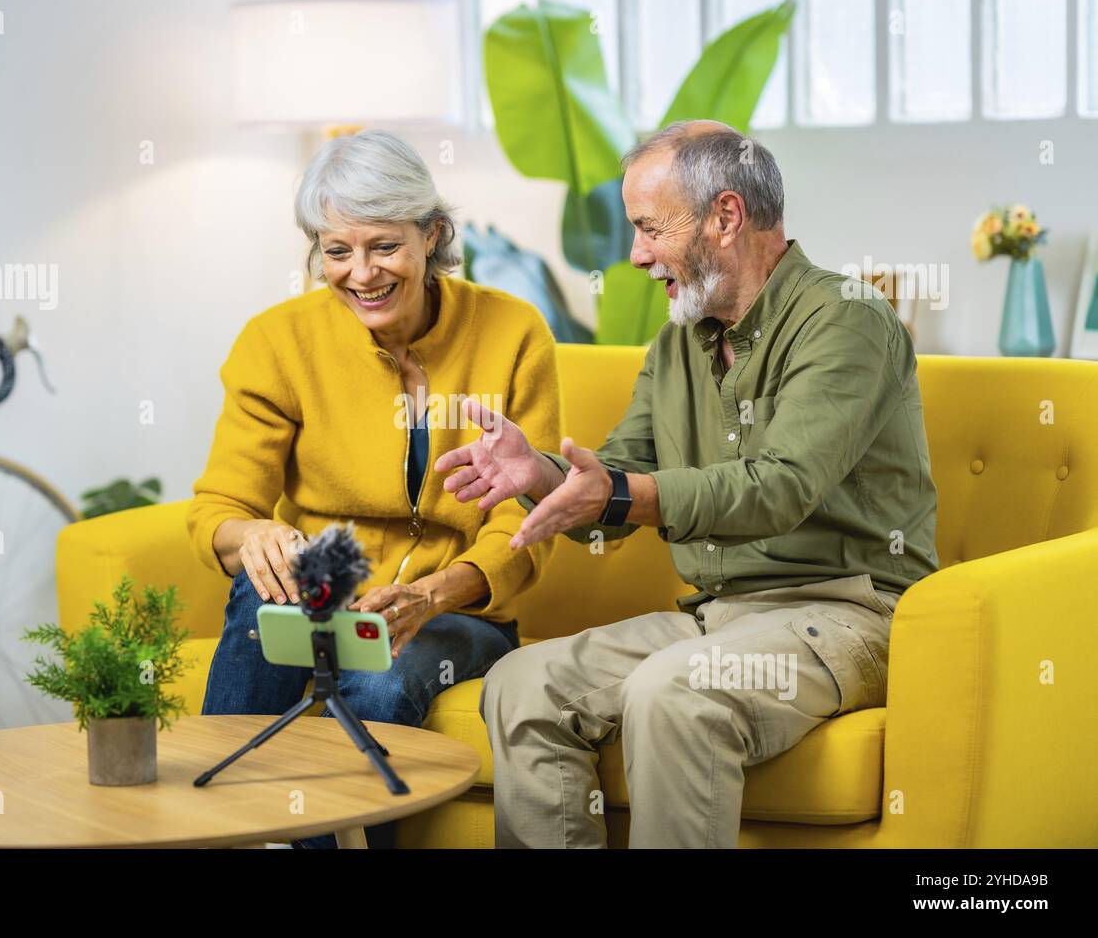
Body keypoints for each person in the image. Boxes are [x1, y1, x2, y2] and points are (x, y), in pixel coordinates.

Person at [435, 119, 939, 848]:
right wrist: (540, 474)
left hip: (849, 614)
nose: (636, 254)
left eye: (649, 228)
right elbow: (609, 486)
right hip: (721, 614)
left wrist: (622, 495)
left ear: (725, 216)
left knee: (674, 692)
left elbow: (779, 488)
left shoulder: (846, 322)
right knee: (520, 685)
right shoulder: (677, 341)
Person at [188, 128, 560, 848]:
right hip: (322, 590)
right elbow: (219, 508)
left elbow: (527, 519)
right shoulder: (277, 341)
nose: (361, 273)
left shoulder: (513, 333)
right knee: (258, 592)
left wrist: (431, 595)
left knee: (379, 685)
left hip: (457, 609)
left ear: (433, 236)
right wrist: (254, 535)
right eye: (337, 251)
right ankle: (217, 827)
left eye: (384, 246)